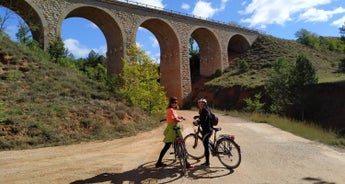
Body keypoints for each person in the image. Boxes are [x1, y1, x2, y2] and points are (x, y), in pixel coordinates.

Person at [155, 97, 194, 169]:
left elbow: (175, 117)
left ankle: (158, 162)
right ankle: (186, 163)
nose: (174, 103)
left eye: (175, 102)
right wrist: (180, 120)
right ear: (170, 103)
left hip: (171, 128)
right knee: (181, 144)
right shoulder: (171, 110)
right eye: (173, 102)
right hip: (173, 128)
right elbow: (175, 120)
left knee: (167, 146)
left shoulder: (172, 110)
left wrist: (180, 117)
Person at [197, 98, 213, 167]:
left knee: (206, 146)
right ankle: (213, 147)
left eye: (201, 103)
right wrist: (198, 117)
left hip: (206, 130)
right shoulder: (207, 109)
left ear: (204, 104)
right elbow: (203, 117)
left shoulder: (204, 110)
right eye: (199, 103)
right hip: (209, 129)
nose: (199, 104)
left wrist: (197, 122)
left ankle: (207, 163)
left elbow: (203, 120)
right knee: (207, 141)